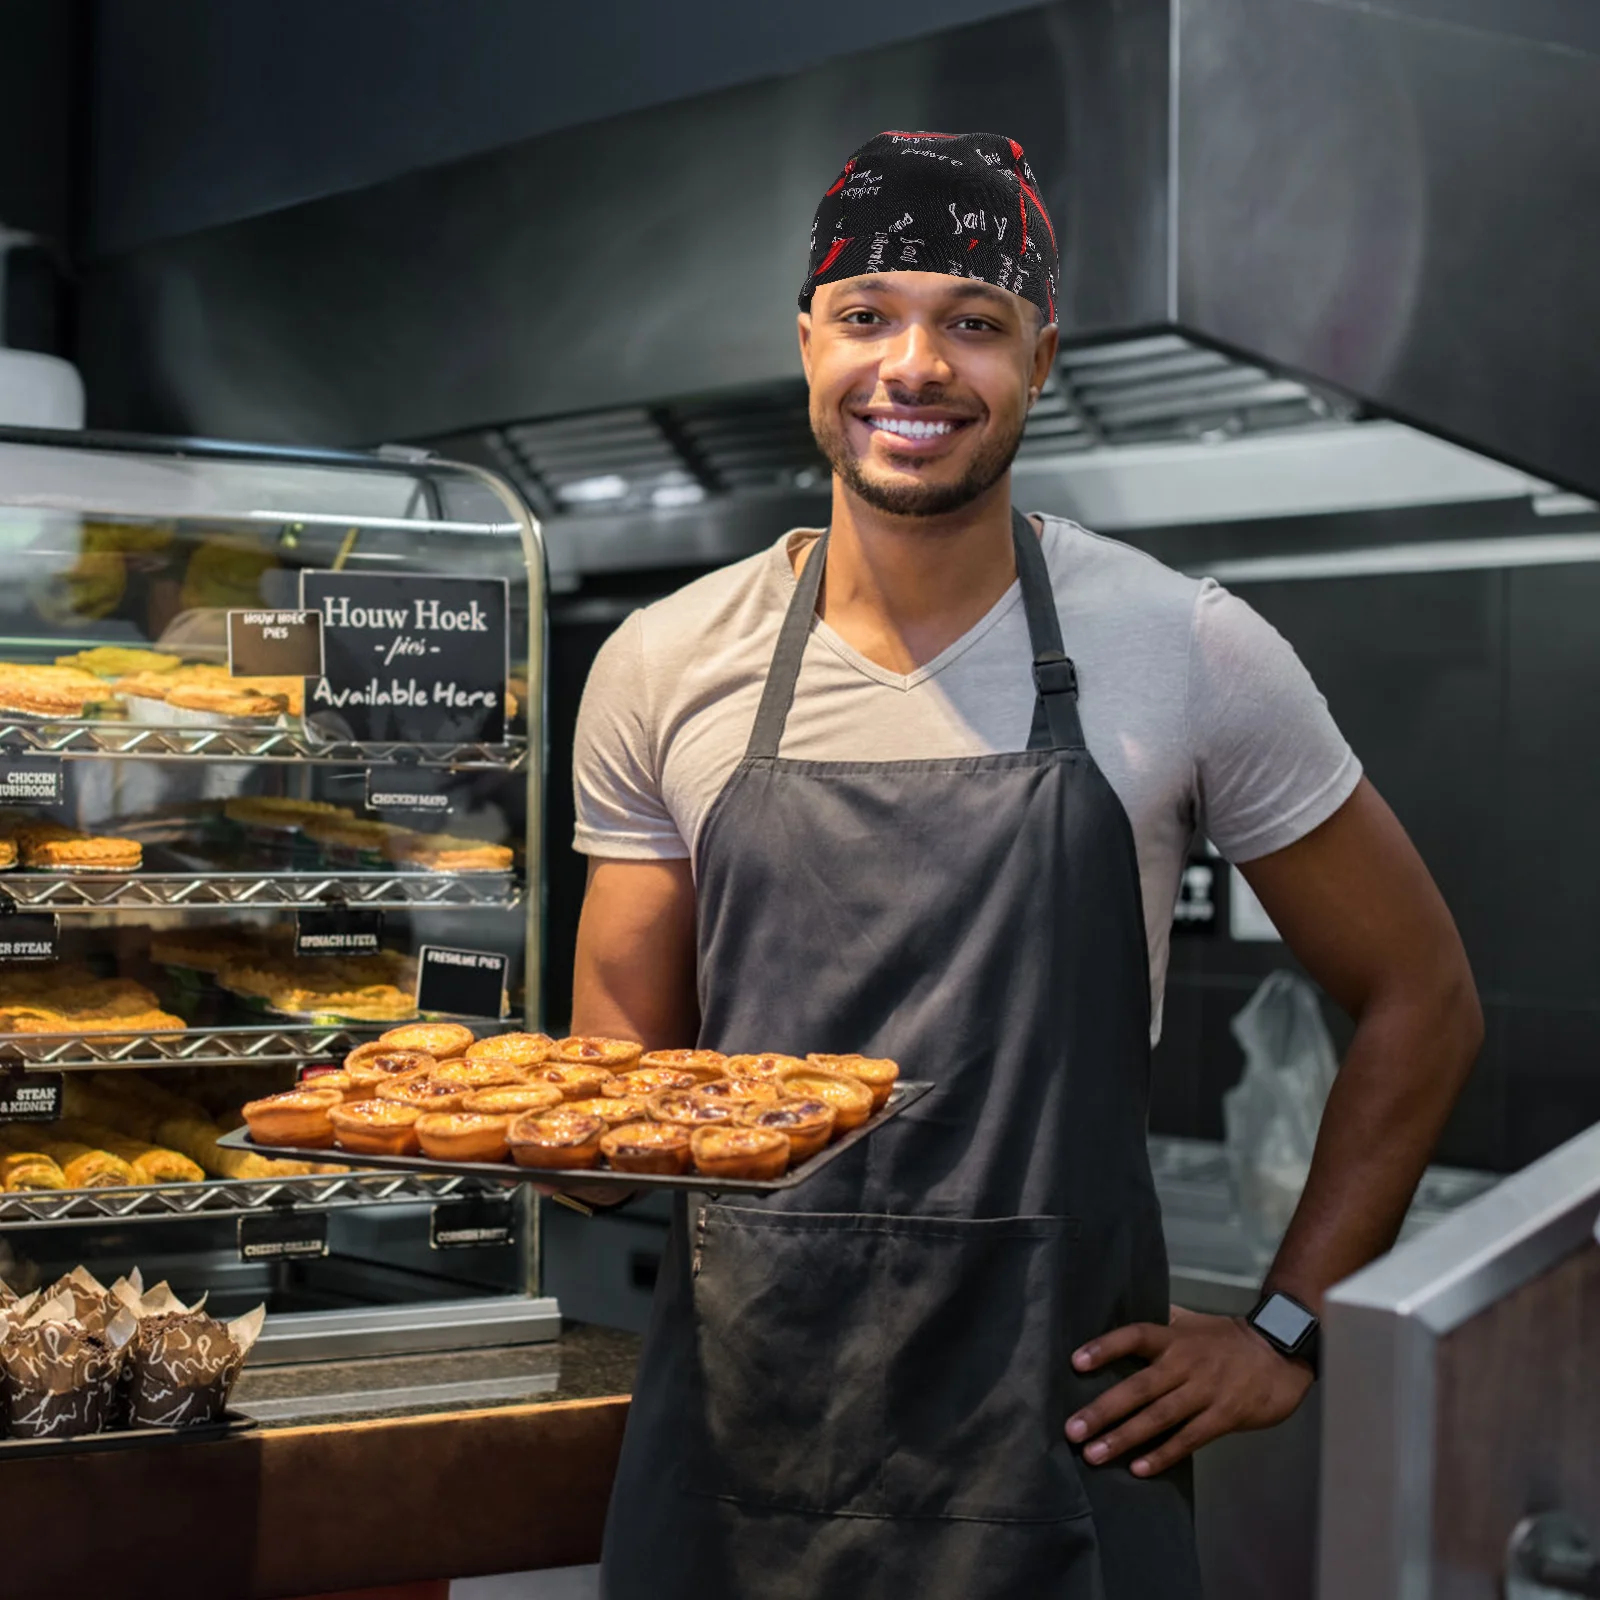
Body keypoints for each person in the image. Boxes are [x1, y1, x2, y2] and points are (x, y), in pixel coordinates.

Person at [570, 130, 1481, 1598]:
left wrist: (1287, 1330)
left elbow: (1424, 999)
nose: (914, 368)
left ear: (1040, 358)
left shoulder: (1188, 650)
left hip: (1057, 1463)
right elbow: (610, 1107)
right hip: (737, 1467)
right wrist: (453, 1131)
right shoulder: (666, 664)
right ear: (807, 340)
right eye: (867, 315)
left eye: (973, 323)